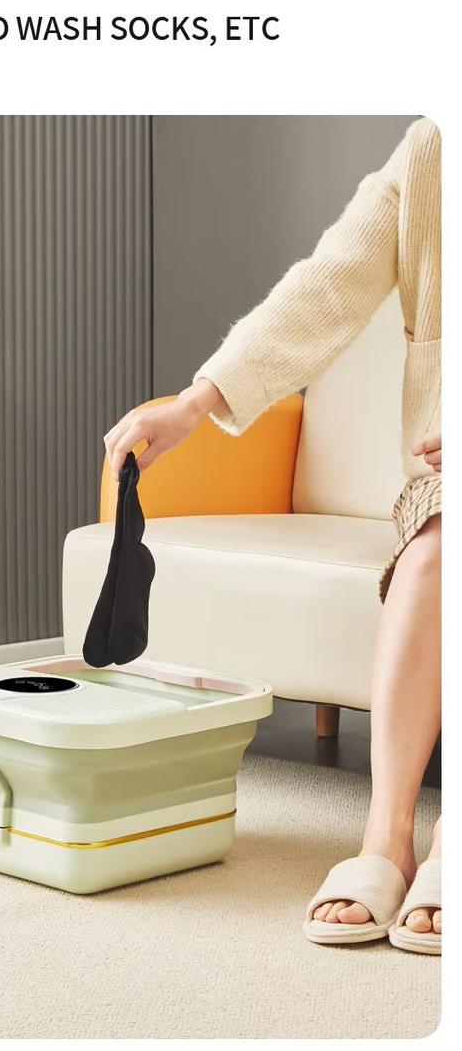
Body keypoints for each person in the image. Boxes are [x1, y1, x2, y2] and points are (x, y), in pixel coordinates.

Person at [104, 118, 441, 952]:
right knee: (436, 550)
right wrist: (196, 403)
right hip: (445, 481)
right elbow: (327, 284)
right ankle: (388, 839)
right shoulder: (435, 147)